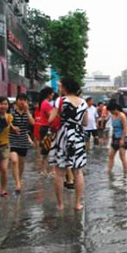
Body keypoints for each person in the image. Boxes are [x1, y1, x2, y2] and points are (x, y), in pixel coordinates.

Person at [48, 78, 88, 210]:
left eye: (61, 87)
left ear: (65, 88)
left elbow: (50, 120)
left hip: (63, 135)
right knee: (78, 172)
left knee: (60, 173)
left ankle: (60, 205)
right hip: (77, 136)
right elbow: (85, 123)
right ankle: (77, 204)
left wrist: (60, 114)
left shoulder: (60, 101)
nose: (60, 89)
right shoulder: (83, 102)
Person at [0, 96, 19, 197]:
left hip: (5, 146)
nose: (3, 106)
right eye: (1, 104)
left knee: (4, 169)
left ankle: (3, 189)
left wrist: (14, 129)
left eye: (5, 104)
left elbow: (9, 126)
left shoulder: (9, 117)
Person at [9, 94, 34, 194]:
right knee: (14, 160)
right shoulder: (12, 111)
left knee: (21, 162)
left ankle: (19, 177)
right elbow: (7, 121)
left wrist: (27, 111)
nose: (22, 102)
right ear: (16, 101)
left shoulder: (27, 112)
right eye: (20, 100)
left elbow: (32, 123)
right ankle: (17, 183)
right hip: (12, 140)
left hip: (23, 140)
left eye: (24, 100)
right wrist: (12, 127)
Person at [107, 99, 127, 174]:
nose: (110, 112)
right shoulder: (112, 116)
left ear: (115, 109)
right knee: (110, 155)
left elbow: (125, 128)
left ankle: (125, 173)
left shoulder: (122, 116)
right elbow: (113, 128)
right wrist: (111, 137)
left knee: (122, 156)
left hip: (122, 137)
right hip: (115, 137)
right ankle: (109, 171)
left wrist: (122, 139)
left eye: (111, 111)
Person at [38, 87, 55, 176]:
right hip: (47, 129)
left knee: (45, 149)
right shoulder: (46, 104)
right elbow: (51, 117)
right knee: (49, 149)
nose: (53, 95)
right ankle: (49, 170)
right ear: (49, 94)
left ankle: (43, 170)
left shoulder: (43, 103)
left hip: (44, 128)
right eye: (52, 93)